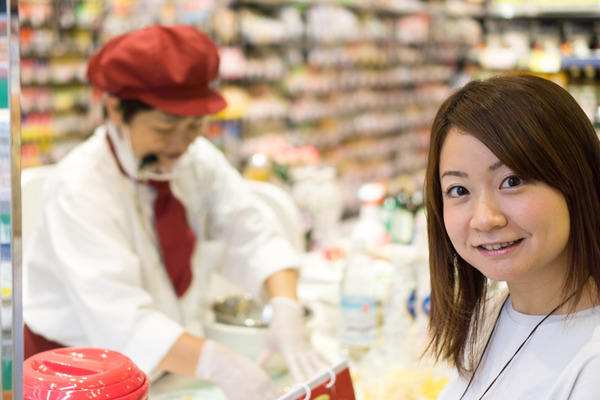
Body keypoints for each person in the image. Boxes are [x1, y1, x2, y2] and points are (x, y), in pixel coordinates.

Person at [23, 24, 327, 399]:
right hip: (77, 377)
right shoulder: (79, 188)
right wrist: (221, 364)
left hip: (170, 364)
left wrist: (285, 308)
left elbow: (254, 234)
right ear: (116, 109)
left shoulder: (198, 161)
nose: (181, 144)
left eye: (195, 126)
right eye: (165, 128)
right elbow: (122, 320)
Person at [424, 73, 600, 399]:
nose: (484, 219)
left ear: (578, 179)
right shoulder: (491, 312)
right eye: (459, 190)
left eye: (512, 181)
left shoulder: (592, 368)